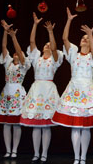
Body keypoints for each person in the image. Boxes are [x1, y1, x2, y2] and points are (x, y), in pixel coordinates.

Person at [52, 8, 93, 164]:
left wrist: (91, 34)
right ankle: (76, 157)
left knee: (86, 127)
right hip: (74, 89)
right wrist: (69, 20)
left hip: (88, 90)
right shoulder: (74, 54)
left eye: (87, 38)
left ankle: (83, 157)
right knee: (75, 126)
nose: (84, 39)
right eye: (83, 37)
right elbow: (64, 39)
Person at [20, 13, 63, 163]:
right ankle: (36, 153)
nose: (47, 45)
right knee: (36, 126)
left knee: (46, 125)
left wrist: (50, 32)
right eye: (45, 44)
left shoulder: (55, 58)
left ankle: (44, 153)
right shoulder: (36, 57)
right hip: (37, 88)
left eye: (49, 44)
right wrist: (35, 24)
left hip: (48, 89)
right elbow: (32, 41)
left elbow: (56, 47)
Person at [0, 20, 31, 158]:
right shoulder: (8, 62)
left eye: (18, 53)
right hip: (7, 93)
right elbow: (4, 46)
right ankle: (8, 150)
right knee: (6, 123)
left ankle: (15, 150)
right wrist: (5, 31)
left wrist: (13, 36)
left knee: (16, 124)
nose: (16, 54)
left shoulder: (24, 64)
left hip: (17, 93)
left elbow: (21, 53)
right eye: (14, 53)